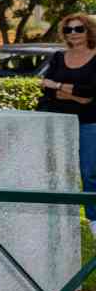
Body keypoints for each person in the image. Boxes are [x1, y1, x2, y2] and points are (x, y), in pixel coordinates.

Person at [38, 14, 96, 217]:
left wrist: (60, 86)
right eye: (68, 30)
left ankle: (94, 222)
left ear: (88, 30)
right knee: (57, 172)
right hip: (60, 123)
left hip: (89, 123)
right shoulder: (57, 57)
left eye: (79, 29)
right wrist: (78, 96)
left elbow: (90, 92)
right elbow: (47, 89)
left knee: (90, 174)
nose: (74, 33)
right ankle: (60, 219)